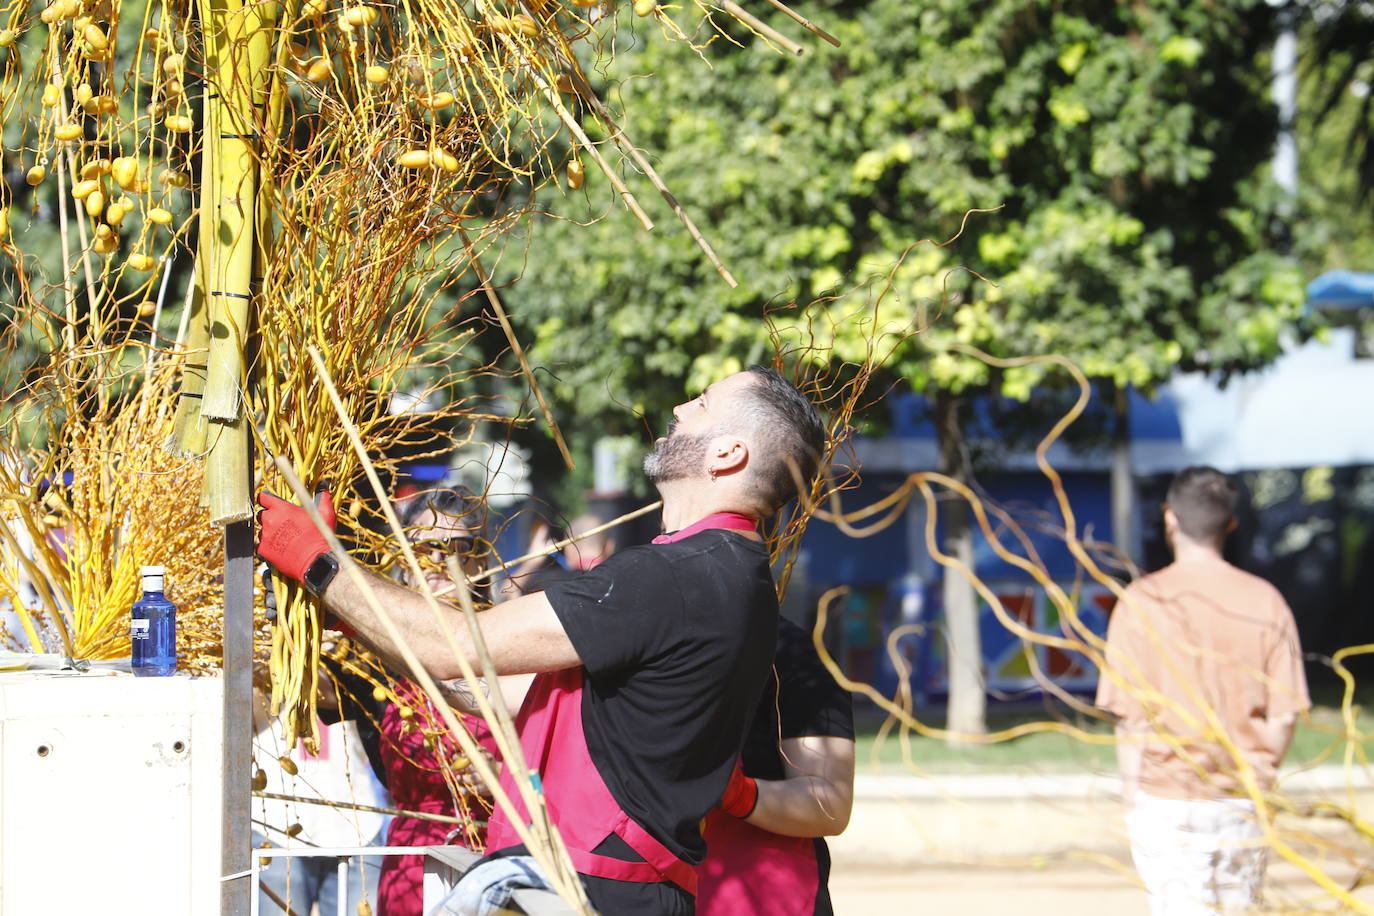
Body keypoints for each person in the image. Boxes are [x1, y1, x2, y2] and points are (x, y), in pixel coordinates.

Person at [256, 366, 826, 915]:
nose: (678, 408)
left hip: (593, 886)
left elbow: (459, 644)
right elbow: (484, 685)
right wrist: (360, 614)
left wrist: (319, 561)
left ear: (730, 454)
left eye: (700, 405)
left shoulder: (673, 576)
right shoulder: (730, 575)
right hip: (602, 884)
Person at [1095, 466, 1310, 916]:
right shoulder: (1265, 600)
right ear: (1230, 524)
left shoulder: (1142, 601)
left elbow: (1130, 717)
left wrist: (1133, 799)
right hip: (1242, 799)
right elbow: (1285, 715)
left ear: (1169, 517)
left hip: (1166, 801)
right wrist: (1258, 771)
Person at [320, 486, 512, 916]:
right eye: (423, 547)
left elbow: (560, 769)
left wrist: (505, 779)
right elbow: (312, 688)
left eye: (457, 546)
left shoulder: (512, 646)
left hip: (501, 860)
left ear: (479, 561)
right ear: (402, 563)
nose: (438, 561)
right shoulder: (374, 657)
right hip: (413, 871)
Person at [696, 615, 855, 915]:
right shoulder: (620, 639)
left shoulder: (791, 652)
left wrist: (732, 791)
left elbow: (831, 805)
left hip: (764, 898)